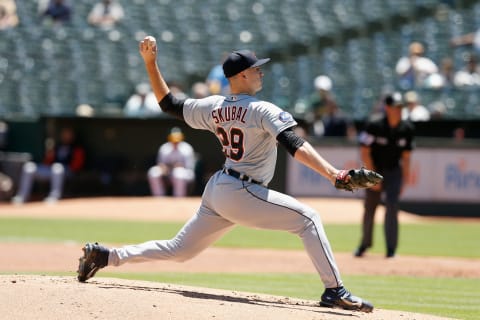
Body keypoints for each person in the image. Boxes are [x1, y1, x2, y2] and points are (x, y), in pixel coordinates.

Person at [76, 37, 376, 313]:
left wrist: (151, 64)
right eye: (256, 69)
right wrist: (334, 173)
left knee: (179, 250)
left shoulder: (214, 105)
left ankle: (105, 256)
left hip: (221, 187)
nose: (261, 73)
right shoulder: (263, 109)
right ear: (240, 76)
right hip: (243, 191)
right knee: (308, 219)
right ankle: (334, 290)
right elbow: (294, 144)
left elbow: (168, 104)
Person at [354, 92, 414, 259]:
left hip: (394, 172)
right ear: (387, 108)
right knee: (370, 208)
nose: (399, 110)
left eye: (401, 107)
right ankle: (364, 244)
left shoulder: (406, 128)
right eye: (396, 107)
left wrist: (405, 180)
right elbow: (365, 151)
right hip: (375, 169)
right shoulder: (374, 125)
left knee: (392, 206)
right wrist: (373, 177)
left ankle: (391, 249)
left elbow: (407, 157)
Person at [11, 127, 85, 204]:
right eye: (64, 134)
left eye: (68, 134)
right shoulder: (57, 145)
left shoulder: (77, 147)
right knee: (29, 167)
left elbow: (77, 165)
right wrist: (49, 153)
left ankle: (54, 196)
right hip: (52, 169)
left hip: (67, 171)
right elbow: (47, 162)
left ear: (73, 136)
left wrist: (72, 169)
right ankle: (22, 196)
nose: (66, 136)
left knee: (57, 168)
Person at [147, 127, 196, 197]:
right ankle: (159, 197)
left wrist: (175, 166)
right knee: (153, 172)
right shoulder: (164, 148)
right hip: (169, 172)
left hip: (185, 174)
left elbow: (189, 167)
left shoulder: (187, 148)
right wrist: (165, 167)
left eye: (177, 140)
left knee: (178, 173)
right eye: (173, 140)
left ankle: (178, 198)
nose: (175, 142)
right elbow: (161, 165)